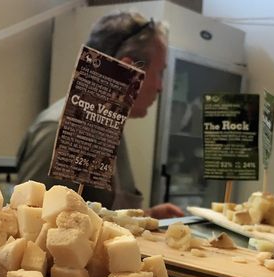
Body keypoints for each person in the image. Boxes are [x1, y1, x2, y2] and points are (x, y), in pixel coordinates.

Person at [15, 12, 184, 219]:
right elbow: (35, 229)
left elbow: (99, 217)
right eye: (159, 73)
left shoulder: (107, 126)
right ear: (130, 68)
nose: (160, 87)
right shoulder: (64, 132)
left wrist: (148, 216)